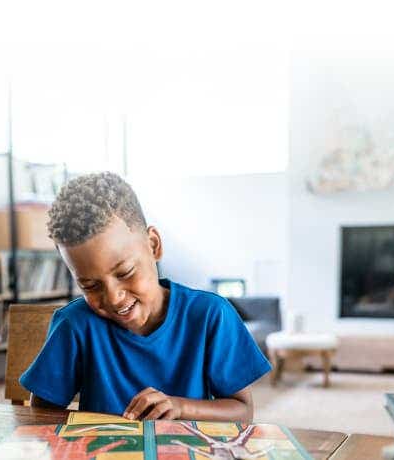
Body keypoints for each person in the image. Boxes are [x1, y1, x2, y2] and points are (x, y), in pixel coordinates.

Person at [20, 172, 271, 421]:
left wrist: (180, 407)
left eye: (125, 272)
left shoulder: (210, 315)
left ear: (153, 245)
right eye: (90, 285)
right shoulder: (75, 325)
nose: (114, 298)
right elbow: (41, 416)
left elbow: (243, 412)